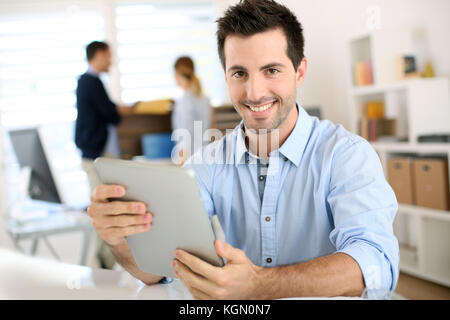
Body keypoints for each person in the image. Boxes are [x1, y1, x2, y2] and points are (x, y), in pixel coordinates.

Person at [87, 0, 399, 299]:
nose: (254, 92)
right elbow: (157, 269)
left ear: (300, 71)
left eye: (272, 71)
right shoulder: (207, 164)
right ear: (226, 76)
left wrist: (259, 286)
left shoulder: (347, 156)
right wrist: (118, 240)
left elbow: (375, 265)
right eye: (239, 73)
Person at [75, 41, 135, 269]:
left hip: (94, 153)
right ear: (99, 54)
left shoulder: (88, 82)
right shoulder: (91, 82)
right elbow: (110, 114)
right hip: (95, 155)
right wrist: (119, 111)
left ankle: (105, 263)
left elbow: (108, 110)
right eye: (109, 55)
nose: (111, 60)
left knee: (106, 207)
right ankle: (103, 264)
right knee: (104, 209)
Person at [171, 56, 211, 165]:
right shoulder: (204, 99)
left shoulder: (184, 101)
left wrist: (182, 160)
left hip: (189, 158)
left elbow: (185, 133)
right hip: (204, 156)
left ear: (177, 74)